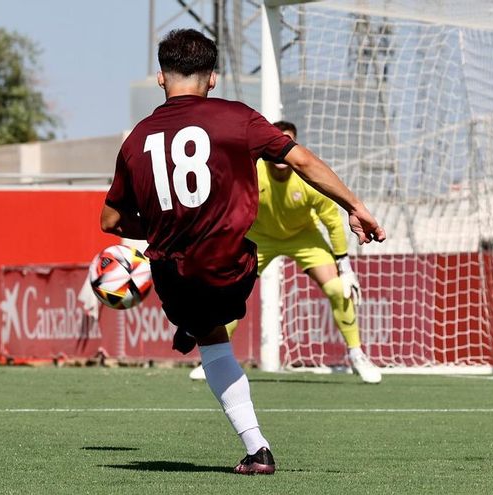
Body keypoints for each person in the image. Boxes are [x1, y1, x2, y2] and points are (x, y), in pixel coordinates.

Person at [100, 28, 386, 476]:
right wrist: (356, 206)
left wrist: (152, 225)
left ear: (161, 78)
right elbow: (302, 161)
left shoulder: (136, 139)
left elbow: (110, 222)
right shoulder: (237, 118)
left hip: (173, 274)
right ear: (213, 78)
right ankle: (206, 337)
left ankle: (253, 441)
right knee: (218, 306)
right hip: (232, 267)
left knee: (209, 336)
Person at [189, 121, 382, 384]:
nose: (281, 148)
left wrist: (344, 267)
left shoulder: (311, 178)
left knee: (339, 289)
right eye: (275, 142)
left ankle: (356, 354)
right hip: (259, 238)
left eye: (287, 142)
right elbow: (227, 210)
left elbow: (332, 222)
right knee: (228, 295)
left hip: (304, 238)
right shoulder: (250, 174)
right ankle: (214, 360)